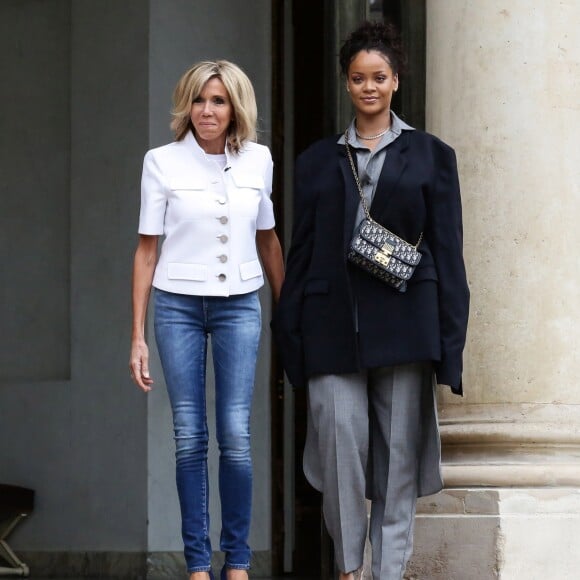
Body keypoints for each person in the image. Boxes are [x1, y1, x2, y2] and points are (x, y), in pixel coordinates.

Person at [273, 21, 469, 580]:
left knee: (398, 463)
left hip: (407, 325)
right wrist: (291, 342)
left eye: (379, 77)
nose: (369, 87)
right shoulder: (315, 161)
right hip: (330, 327)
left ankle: (388, 573)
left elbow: (449, 254)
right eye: (358, 78)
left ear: (396, 81)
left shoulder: (432, 156)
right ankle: (349, 566)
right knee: (339, 450)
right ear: (346, 83)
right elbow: (302, 251)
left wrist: (450, 345)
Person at [129, 60, 284, 580]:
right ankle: (198, 564)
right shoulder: (161, 161)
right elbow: (147, 252)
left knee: (236, 435)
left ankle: (236, 561)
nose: (207, 111)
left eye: (218, 101)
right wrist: (137, 336)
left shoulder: (259, 160)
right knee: (189, 435)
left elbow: (267, 238)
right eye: (199, 100)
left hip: (241, 302)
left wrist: (286, 313)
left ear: (235, 106)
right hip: (177, 306)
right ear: (186, 106)